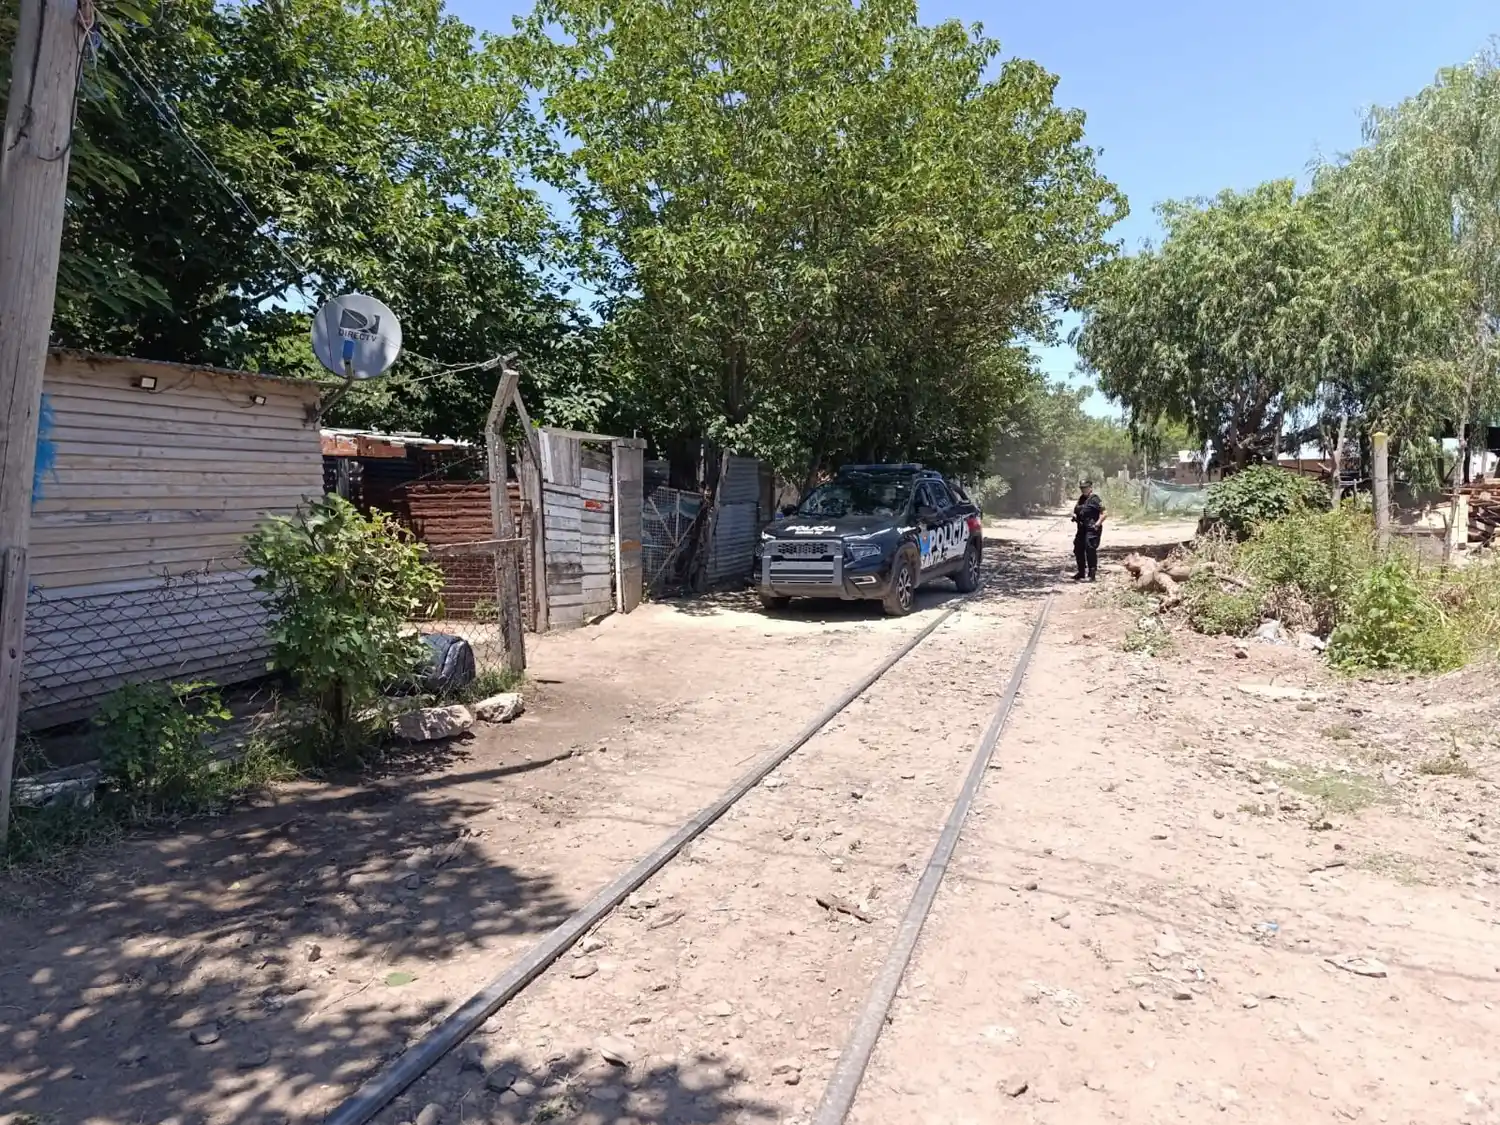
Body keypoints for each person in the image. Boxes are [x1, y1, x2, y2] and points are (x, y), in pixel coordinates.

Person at [1071, 479, 1106, 581]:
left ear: (1090, 488)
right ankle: (1081, 572)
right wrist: (1074, 515)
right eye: (1082, 488)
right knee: (1078, 548)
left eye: (1085, 488)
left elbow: (1104, 513)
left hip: (1092, 528)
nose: (1083, 490)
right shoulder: (1081, 499)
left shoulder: (1095, 499)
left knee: (1090, 548)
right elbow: (1076, 510)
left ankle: (1092, 574)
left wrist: (1097, 524)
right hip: (1081, 528)